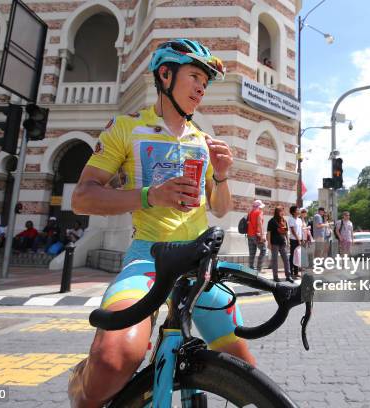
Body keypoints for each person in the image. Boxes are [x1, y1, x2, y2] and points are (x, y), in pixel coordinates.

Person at [68, 39, 255, 408]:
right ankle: (79, 386)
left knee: (246, 379)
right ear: (165, 75)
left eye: (206, 82)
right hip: (147, 262)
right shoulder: (126, 127)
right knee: (112, 360)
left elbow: (220, 209)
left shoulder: (203, 140)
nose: (202, 88)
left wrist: (220, 177)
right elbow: (83, 197)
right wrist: (150, 195)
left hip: (199, 268)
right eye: (195, 77)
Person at [266, 206, 293, 283]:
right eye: (281, 211)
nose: (283, 213)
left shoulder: (284, 220)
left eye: (283, 211)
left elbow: (286, 232)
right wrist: (269, 243)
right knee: (275, 260)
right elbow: (269, 233)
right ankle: (275, 277)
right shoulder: (271, 221)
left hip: (283, 243)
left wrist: (288, 241)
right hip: (274, 243)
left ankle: (288, 276)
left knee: (286, 260)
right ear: (277, 212)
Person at [246, 199, 267, 271]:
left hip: (249, 234)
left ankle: (250, 268)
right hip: (257, 235)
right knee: (263, 250)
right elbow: (260, 224)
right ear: (259, 206)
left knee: (252, 252)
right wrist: (262, 235)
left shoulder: (250, 212)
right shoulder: (259, 212)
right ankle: (259, 268)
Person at [287, 205, 302, 277]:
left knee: (298, 256)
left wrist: (302, 239)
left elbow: (301, 230)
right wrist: (298, 239)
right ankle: (290, 271)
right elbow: (293, 230)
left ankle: (296, 272)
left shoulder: (299, 220)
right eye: (297, 210)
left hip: (299, 239)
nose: (299, 211)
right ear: (293, 212)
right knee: (292, 255)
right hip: (293, 240)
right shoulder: (291, 219)